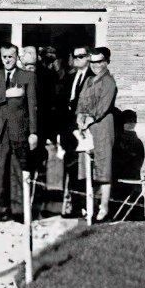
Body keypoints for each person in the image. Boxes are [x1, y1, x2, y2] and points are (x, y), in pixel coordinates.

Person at [0, 42, 38, 222]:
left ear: (16, 57)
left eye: (11, 57)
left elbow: (32, 106)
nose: (7, 60)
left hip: (19, 130)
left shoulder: (28, 76)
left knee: (18, 170)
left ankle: (19, 210)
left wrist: (33, 132)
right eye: (4, 56)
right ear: (1, 57)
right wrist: (6, 94)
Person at [74, 47, 120, 220]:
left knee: (103, 167)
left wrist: (90, 118)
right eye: (92, 62)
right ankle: (89, 205)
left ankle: (104, 208)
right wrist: (80, 117)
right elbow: (81, 102)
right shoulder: (88, 81)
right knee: (87, 167)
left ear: (107, 61)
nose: (96, 65)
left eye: (99, 61)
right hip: (86, 127)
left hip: (102, 126)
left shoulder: (109, 81)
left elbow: (103, 106)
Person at [35, 45, 69, 217]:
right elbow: (45, 106)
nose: (52, 62)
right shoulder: (43, 76)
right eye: (48, 58)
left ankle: (54, 207)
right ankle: (44, 206)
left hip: (58, 129)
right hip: (47, 129)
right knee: (45, 168)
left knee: (55, 169)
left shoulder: (62, 78)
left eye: (54, 58)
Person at [59, 46, 92, 217]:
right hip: (69, 132)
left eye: (82, 56)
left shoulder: (93, 78)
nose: (78, 59)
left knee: (85, 169)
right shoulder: (69, 78)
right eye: (75, 56)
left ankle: (87, 206)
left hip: (84, 129)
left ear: (88, 57)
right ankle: (75, 206)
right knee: (71, 169)